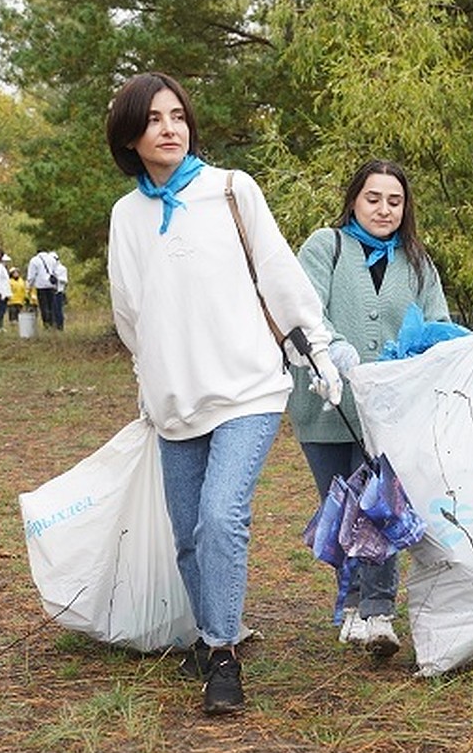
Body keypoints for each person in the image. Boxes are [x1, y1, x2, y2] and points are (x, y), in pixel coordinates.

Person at [105, 71, 342, 716]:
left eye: (177, 115)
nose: (170, 127)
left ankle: (221, 654)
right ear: (130, 134)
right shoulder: (126, 217)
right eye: (154, 119)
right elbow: (131, 312)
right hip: (175, 401)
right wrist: (146, 384)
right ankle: (216, 628)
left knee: (220, 517)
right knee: (188, 534)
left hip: (249, 388)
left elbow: (278, 273)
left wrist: (316, 346)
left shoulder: (231, 190)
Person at [289, 159, 451, 658]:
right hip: (325, 406)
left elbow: (437, 322)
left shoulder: (418, 262)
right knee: (340, 508)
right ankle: (353, 602)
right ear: (354, 200)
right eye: (374, 198)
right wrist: (333, 349)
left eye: (395, 201)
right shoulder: (326, 246)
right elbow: (303, 307)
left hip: (388, 412)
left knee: (379, 504)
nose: (384, 209)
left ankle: (379, 610)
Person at [26, 249, 59, 329]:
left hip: (41, 285)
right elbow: (56, 272)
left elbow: (31, 275)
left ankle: (46, 324)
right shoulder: (52, 259)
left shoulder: (34, 260)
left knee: (43, 305)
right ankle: (52, 322)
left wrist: (29, 286)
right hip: (51, 285)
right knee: (51, 305)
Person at [0, 253, 12, 332]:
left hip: (5, 292)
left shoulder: (4, 268)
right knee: (1, 310)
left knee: (3, 310)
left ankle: (0, 326)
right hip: (1, 292)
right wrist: (0, 292)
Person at [52, 259, 68, 330]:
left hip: (59, 292)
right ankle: (54, 326)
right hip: (51, 291)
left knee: (59, 310)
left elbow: (65, 280)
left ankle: (60, 326)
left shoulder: (62, 268)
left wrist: (57, 278)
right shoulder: (50, 268)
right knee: (53, 310)